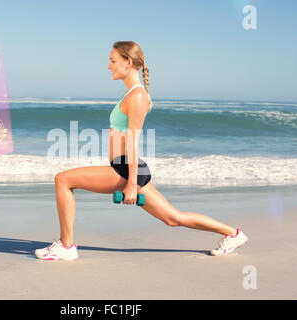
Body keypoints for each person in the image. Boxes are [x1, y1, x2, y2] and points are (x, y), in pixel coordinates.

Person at [35, 41, 248, 261]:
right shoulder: (131, 94)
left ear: (128, 62)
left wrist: (131, 184)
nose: (109, 66)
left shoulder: (137, 96)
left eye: (113, 60)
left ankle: (67, 246)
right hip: (126, 168)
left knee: (63, 180)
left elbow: (134, 142)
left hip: (126, 170)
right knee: (172, 218)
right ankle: (233, 234)